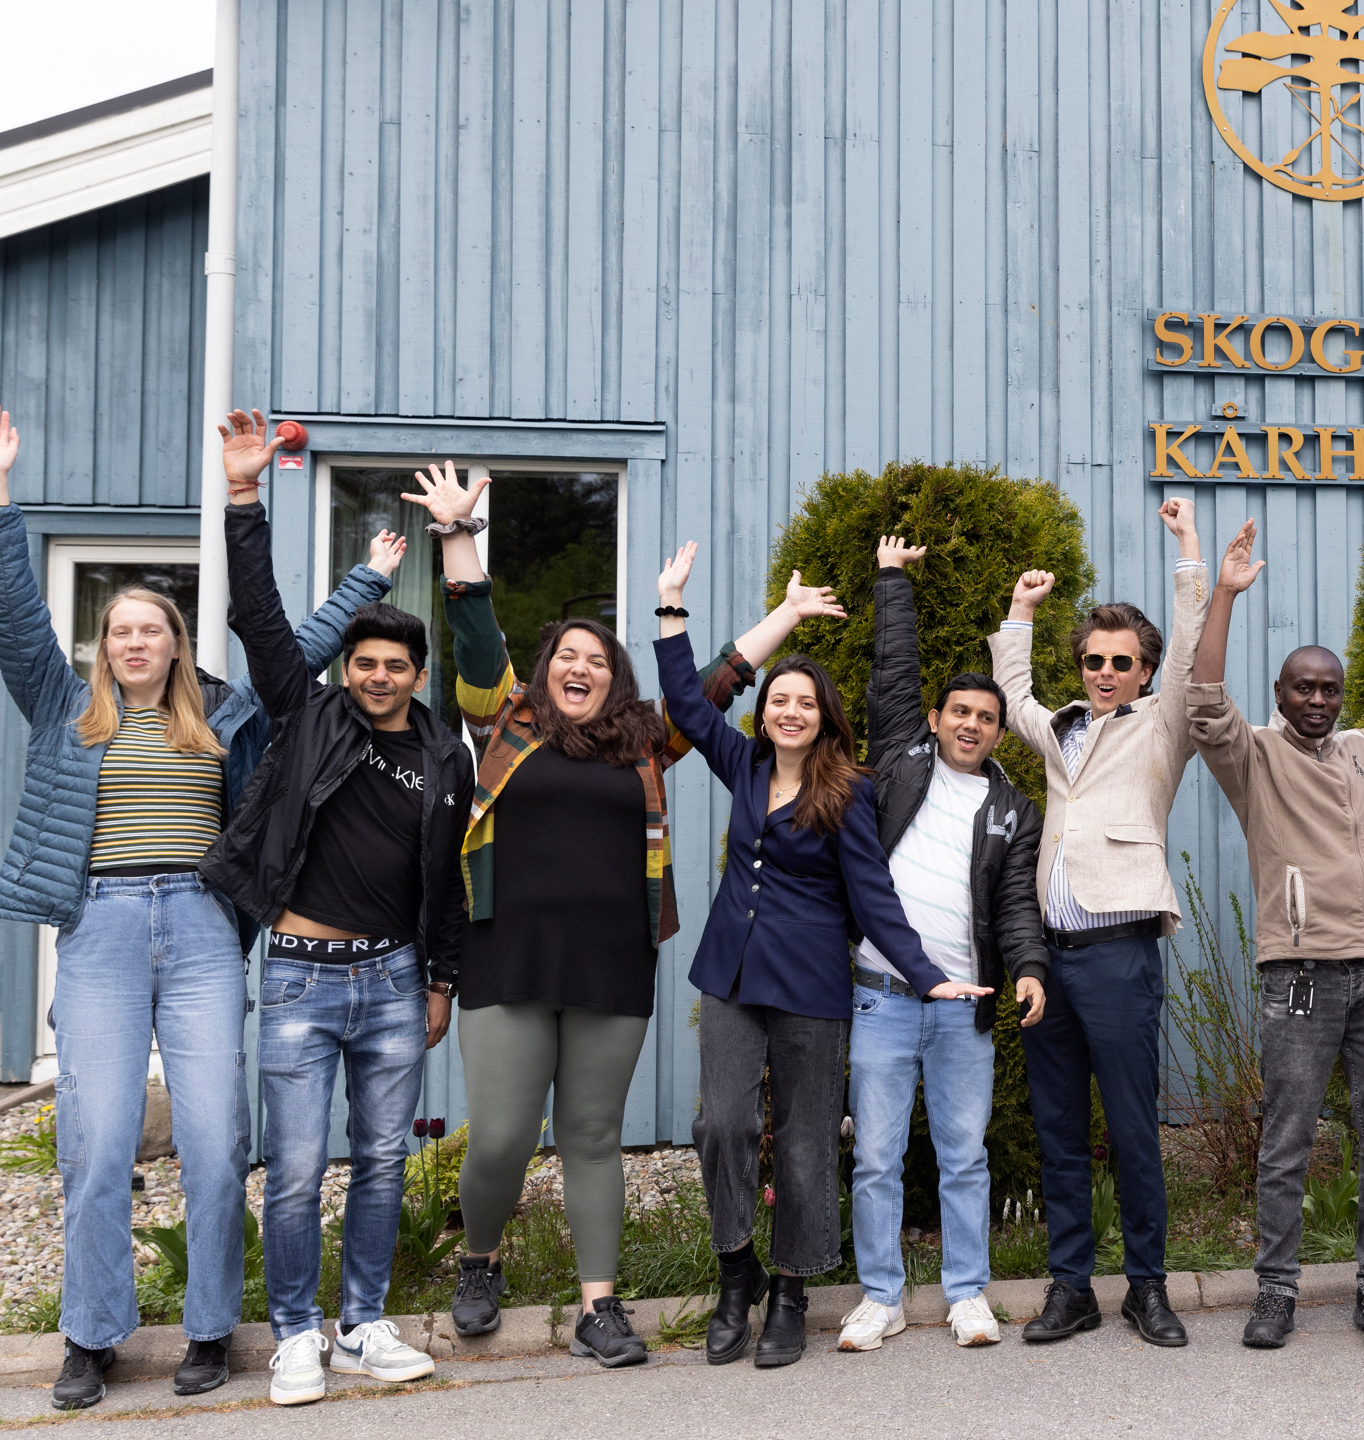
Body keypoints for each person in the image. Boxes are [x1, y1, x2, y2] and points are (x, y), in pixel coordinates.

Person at [0, 404, 392, 1410]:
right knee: (101, 1139)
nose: (135, 641)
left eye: (151, 628)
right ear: (103, 646)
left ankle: (208, 1329)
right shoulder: (62, 706)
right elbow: (13, 609)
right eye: (119, 630)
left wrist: (367, 580)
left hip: (200, 931)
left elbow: (302, 648)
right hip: (103, 930)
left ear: (175, 642)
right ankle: (92, 1335)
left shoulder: (224, 716)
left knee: (211, 1140)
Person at [404, 463, 834, 1370]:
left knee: (595, 1136)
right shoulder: (506, 720)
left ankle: (600, 1308)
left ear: (616, 679)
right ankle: (480, 1261)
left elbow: (717, 682)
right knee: (508, 1137)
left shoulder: (645, 738)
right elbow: (477, 636)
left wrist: (787, 617)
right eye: (568, 655)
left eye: (598, 661)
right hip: (506, 956)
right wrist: (458, 535)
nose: (580, 668)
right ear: (547, 668)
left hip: (612, 963)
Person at [651, 542, 990, 1370]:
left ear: (823, 714)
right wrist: (673, 608)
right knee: (721, 1121)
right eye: (780, 701)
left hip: (810, 986)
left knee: (806, 1141)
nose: (790, 713)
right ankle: (738, 1273)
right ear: (765, 712)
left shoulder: (850, 790)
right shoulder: (743, 761)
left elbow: (874, 898)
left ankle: (794, 1291)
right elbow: (690, 706)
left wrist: (929, 976)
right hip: (730, 976)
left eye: (805, 703)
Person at [197, 410, 462, 1405]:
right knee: (301, 1172)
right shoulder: (305, 718)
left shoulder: (444, 757)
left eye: (397, 665)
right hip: (304, 978)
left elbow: (449, 879)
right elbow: (259, 617)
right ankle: (298, 1334)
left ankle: (363, 1324)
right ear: (345, 672)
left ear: (416, 676)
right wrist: (242, 495)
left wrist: (441, 978)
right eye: (365, 663)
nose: (380, 676)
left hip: (395, 979)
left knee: (385, 1168)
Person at [1186, 518, 1364, 1352]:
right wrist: (1225, 597)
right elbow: (1202, 701)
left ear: (1340, 696)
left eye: (1327, 688)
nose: (1315, 699)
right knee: (1289, 1140)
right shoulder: (1253, 758)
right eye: (1301, 687)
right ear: (1279, 692)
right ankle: (1276, 1293)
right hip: (1300, 974)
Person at [987, 498, 1206, 1348]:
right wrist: (1023, 611)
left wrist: (1187, 548)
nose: (1104, 672)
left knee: (1132, 1127)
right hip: (1051, 956)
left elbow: (1190, 652)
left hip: (1119, 954)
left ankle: (1148, 1288)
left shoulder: (1162, 723)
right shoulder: (1061, 731)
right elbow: (1011, 696)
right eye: (1093, 661)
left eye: (1121, 661)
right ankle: (1070, 1287)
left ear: (1144, 670)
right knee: (1058, 1129)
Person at [835, 536, 1049, 1353]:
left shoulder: (1012, 810)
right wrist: (890, 578)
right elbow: (892, 670)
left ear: (999, 733)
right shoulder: (899, 760)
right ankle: (881, 1297)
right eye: (960, 711)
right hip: (882, 997)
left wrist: (1029, 969)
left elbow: (1017, 908)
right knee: (878, 1159)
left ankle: (967, 1295)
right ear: (936, 720)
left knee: (964, 1158)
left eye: (987, 718)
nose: (972, 725)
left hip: (966, 1007)